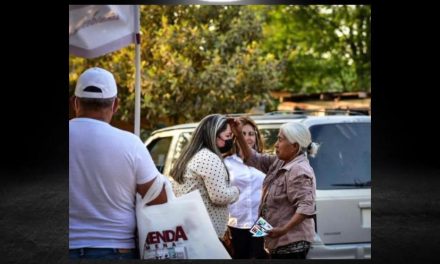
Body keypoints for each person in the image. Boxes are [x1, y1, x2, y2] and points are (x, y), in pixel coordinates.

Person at [69, 67, 168, 259]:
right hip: (116, 249)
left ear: (75, 102)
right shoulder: (130, 143)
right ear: (115, 105)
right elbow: (159, 198)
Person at [240, 121, 319, 259]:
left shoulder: (298, 169)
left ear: (294, 146)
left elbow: (306, 206)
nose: (276, 144)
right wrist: (237, 133)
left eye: (280, 140)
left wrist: (283, 230)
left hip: (291, 245)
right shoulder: (281, 161)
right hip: (274, 240)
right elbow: (253, 158)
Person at [170, 114, 247, 243]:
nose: (230, 141)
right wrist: (236, 191)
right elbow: (219, 196)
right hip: (206, 232)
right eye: (228, 136)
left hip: (190, 228)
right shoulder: (209, 157)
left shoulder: (192, 155)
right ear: (213, 135)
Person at [223, 116, 267, 259]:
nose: (248, 138)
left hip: (261, 221)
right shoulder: (227, 163)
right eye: (243, 133)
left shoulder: (264, 161)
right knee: (240, 257)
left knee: (260, 255)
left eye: (251, 134)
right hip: (235, 223)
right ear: (236, 137)